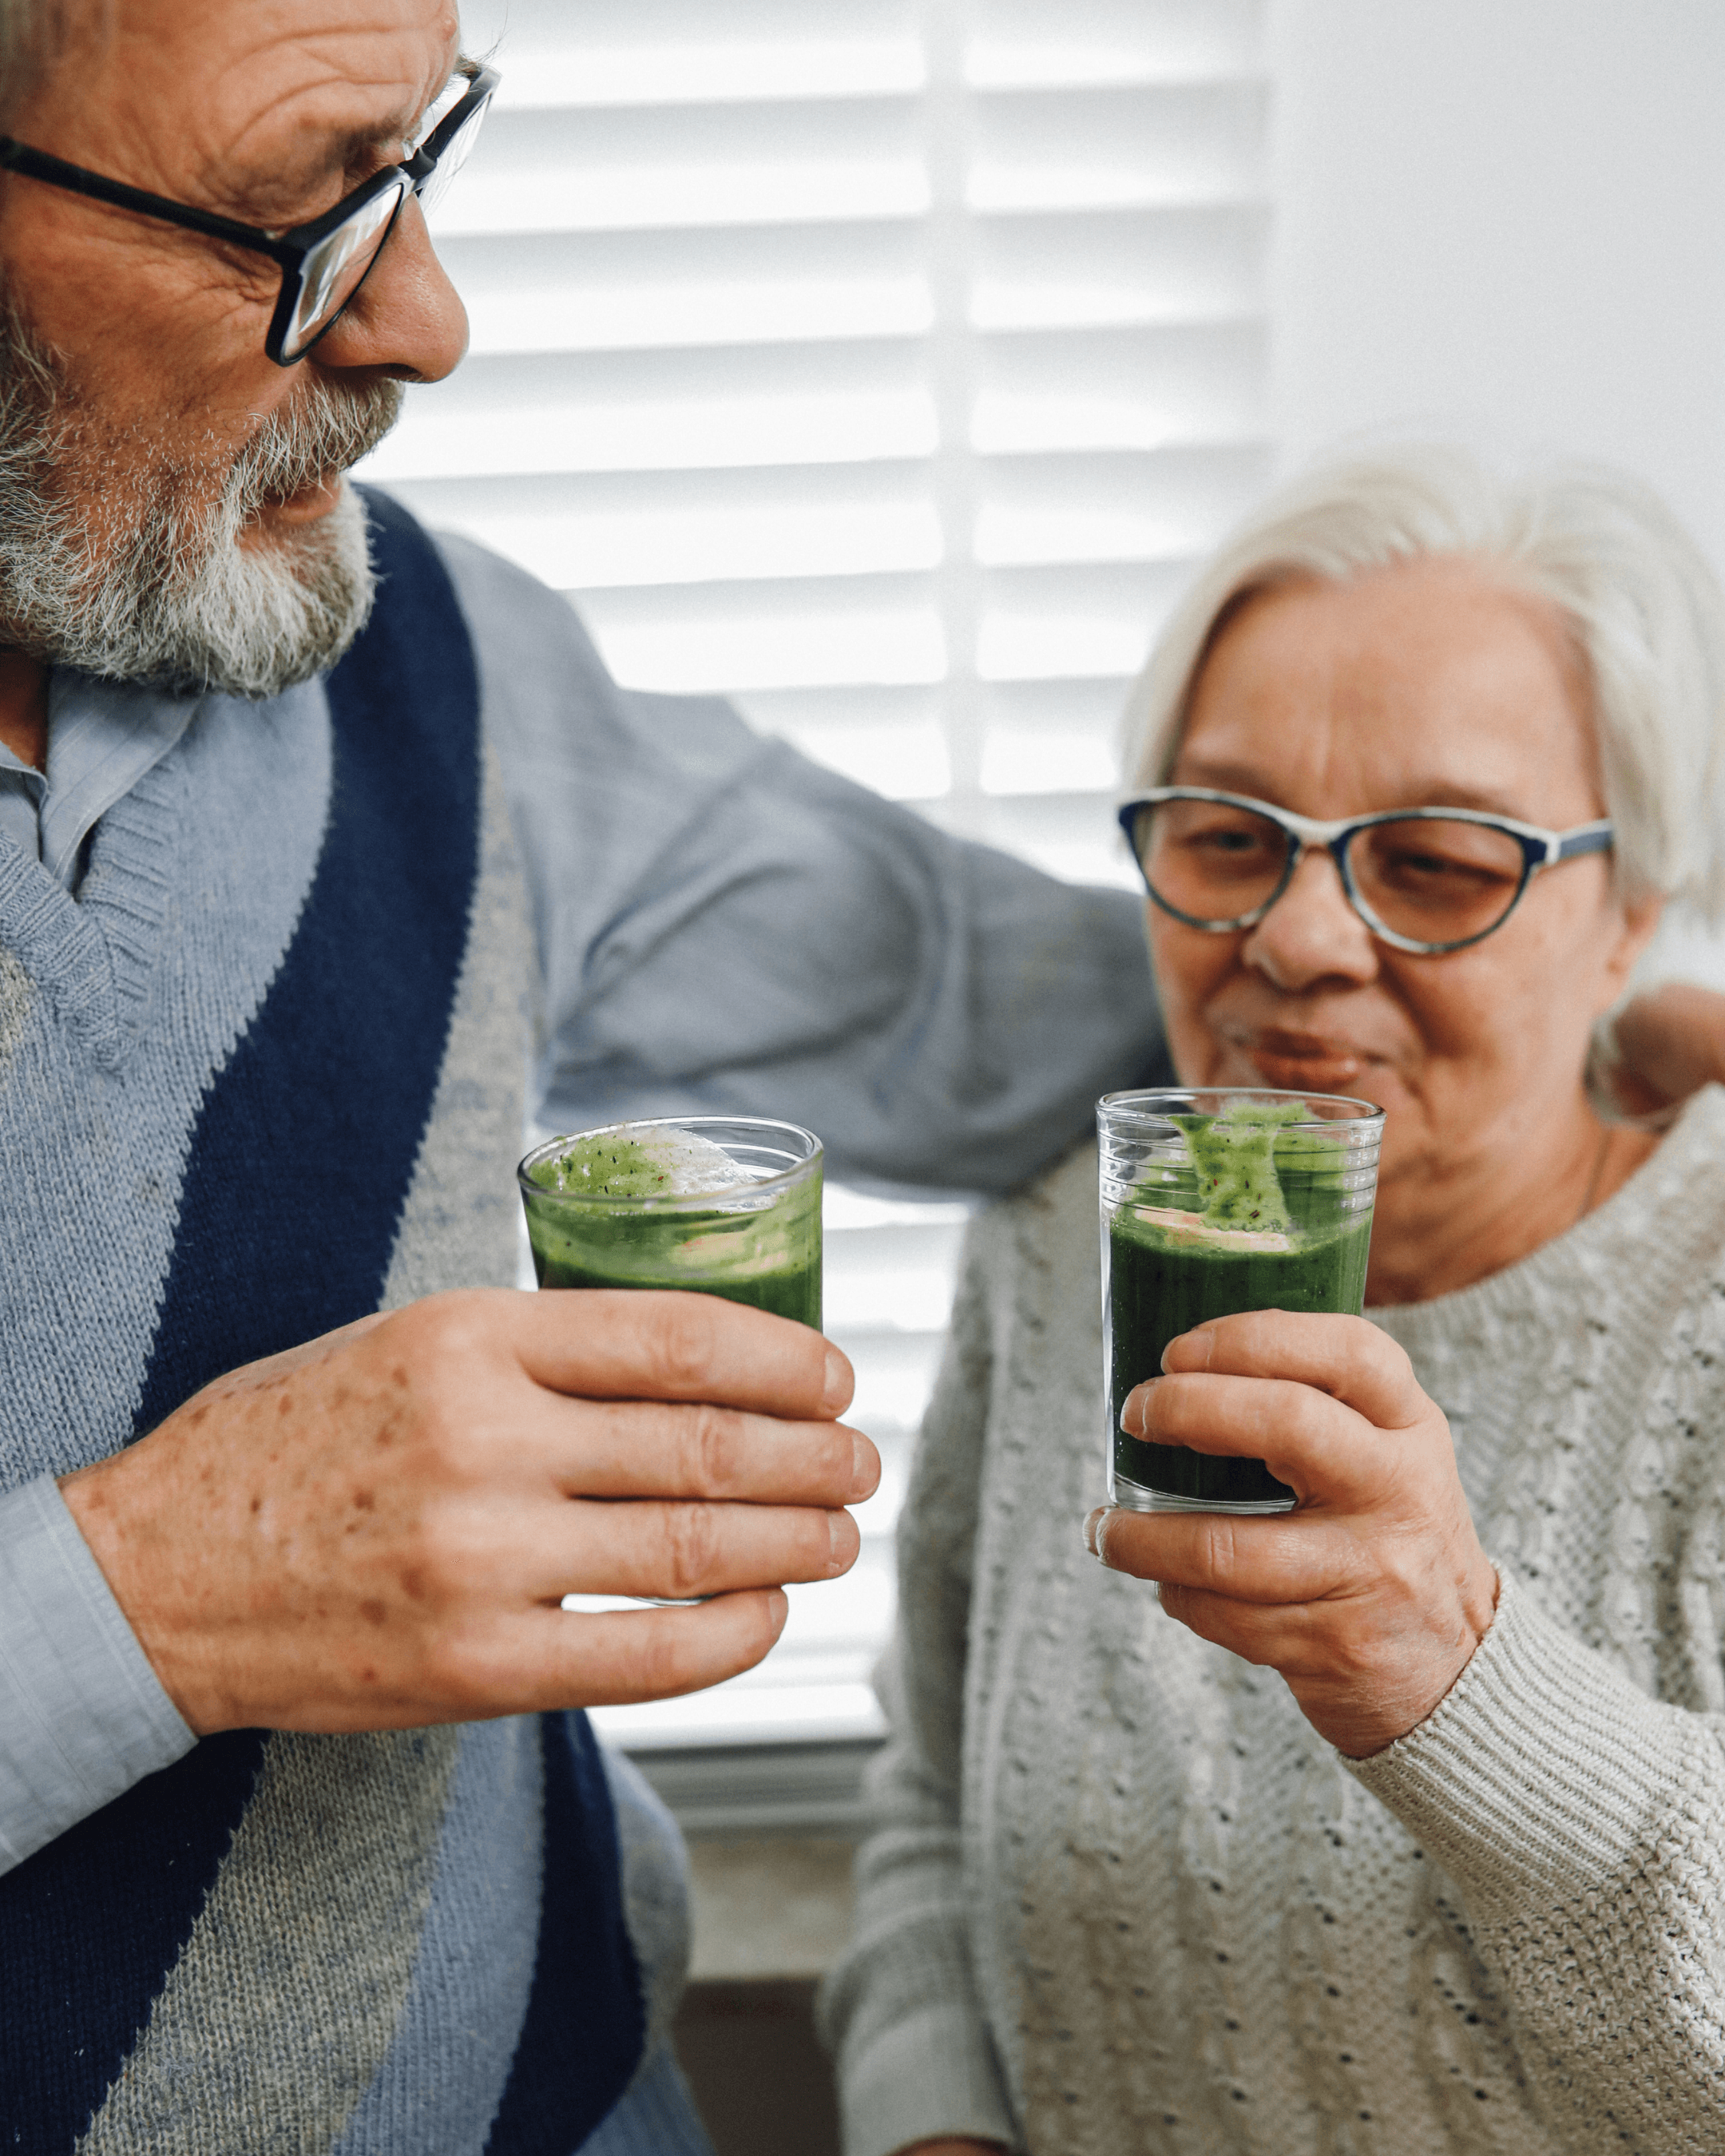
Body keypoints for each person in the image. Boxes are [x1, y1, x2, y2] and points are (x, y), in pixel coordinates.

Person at [1, 6, 1719, 2146]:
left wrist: (1582, 1027)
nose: (430, 316)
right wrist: (147, 1594)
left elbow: (1068, 987)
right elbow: (943, 1825)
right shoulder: (1053, 1263)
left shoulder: (447, 668)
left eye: (421, 158)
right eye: (294, 206)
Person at [823, 450, 1725, 2155]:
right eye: (1231, 840)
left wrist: (1458, 1679)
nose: (1298, 939)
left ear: (1635, 925)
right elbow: (933, 1802)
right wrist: (932, 2119)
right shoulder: (1053, 1241)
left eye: (1442, 866)